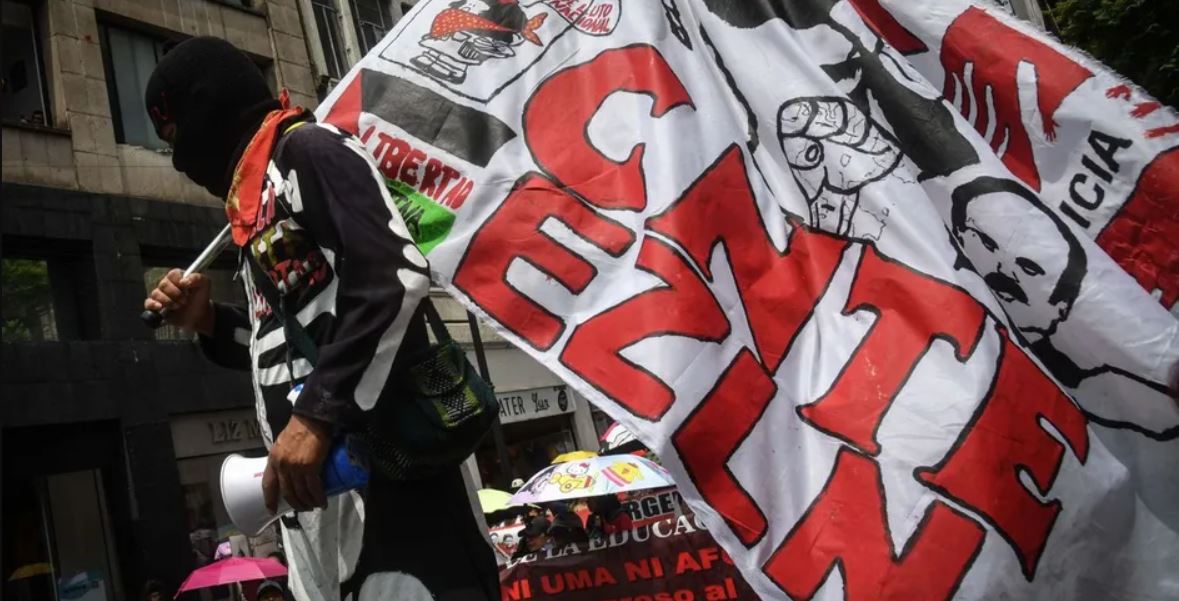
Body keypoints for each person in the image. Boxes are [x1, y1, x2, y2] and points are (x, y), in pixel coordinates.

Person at [142, 37, 497, 601]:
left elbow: (393, 277)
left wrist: (313, 419)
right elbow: (292, 341)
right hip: (324, 507)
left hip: (392, 482)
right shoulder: (256, 206)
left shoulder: (308, 150)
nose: (179, 160)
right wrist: (209, 320)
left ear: (206, 108)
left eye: (173, 136)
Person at [949, 176, 1178, 439]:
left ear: (1062, 305)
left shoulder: (1119, 396)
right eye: (986, 243)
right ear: (956, 234)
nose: (1003, 268)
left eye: (1030, 268)